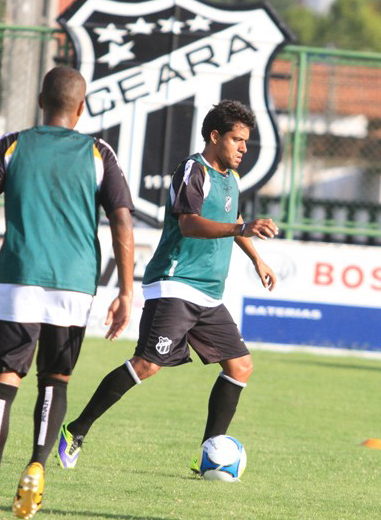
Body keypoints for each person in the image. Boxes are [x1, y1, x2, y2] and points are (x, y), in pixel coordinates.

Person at [0, 66, 135, 520]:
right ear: (81, 107)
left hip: (17, 278)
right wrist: (126, 291)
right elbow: (122, 220)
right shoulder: (98, 152)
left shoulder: (13, 144)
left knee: (2, 386)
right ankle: (36, 465)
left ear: (40, 100)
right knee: (55, 381)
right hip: (74, 284)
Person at [55, 100, 278, 474]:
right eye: (237, 140)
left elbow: (232, 216)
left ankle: (207, 452)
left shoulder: (230, 179)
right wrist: (242, 228)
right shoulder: (194, 170)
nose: (243, 148)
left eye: (246, 142)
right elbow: (190, 223)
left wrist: (255, 257)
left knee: (240, 366)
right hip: (175, 285)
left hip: (208, 293)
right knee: (146, 365)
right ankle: (75, 431)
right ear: (214, 136)